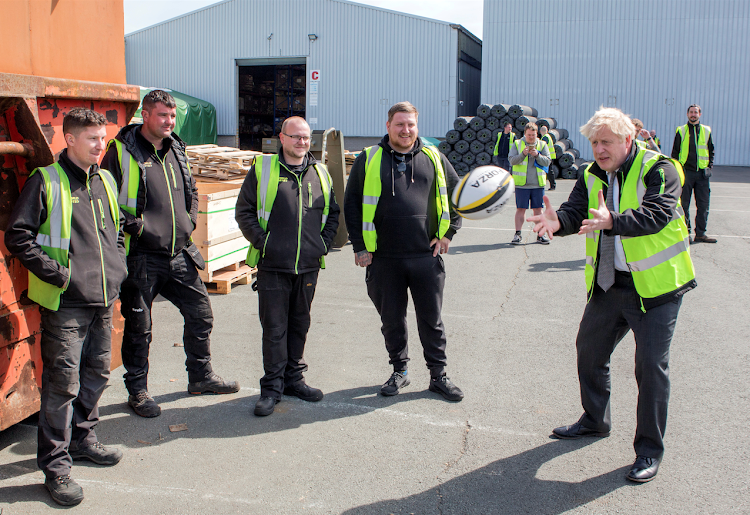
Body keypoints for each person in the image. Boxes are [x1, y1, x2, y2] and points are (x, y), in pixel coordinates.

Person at [528, 107, 696, 483]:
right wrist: (558, 223)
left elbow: (658, 214)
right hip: (610, 284)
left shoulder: (660, 169)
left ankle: (649, 451)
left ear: (627, 140)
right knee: (588, 351)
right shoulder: (591, 173)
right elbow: (574, 212)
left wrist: (613, 221)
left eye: (606, 142)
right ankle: (595, 419)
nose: (599, 149)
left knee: (650, 368)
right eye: (594, 142)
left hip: (657, 290)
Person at [5, 108, 128, 506]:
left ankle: (83, 440)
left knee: (97, 375)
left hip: (105, 298)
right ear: (69, 139)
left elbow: (117, 230)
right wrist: (60, 275)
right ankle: (56, 469)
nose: (100, 145)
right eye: (92, 138)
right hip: (68, 304)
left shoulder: (105, 179)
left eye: (103, 137)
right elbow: (18, 236)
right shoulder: (47, 181)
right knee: (62, 387)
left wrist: (119, 266)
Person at [100, 90, 238, 418]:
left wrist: (189, 219)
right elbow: (108, 200)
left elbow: (191, 189)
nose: (169, 122)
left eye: (172, 116)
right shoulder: (121, 151)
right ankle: (138, 390)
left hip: (179, 253)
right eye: (163, 116)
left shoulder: (176, 146)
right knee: (139, 327)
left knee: (201, 314)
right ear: (145, 115)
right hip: (141, 256)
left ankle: (201, 377)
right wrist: (139, 228)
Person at [344, 101, 464, 402]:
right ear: (388, 126)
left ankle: (439, 376)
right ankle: (400, 371)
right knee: (392, 320)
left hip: (426, 256)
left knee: (431, 320)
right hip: (383, 258)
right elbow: (352, 205)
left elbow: (458, 194)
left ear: (417, 126)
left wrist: (449, 233)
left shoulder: (434, 157)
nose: (406, 130)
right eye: (400, 124)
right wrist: (360, 246)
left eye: (411, 124)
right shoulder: (369, 158)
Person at [235, 117, 340, 417]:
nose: (302, 143)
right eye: (295, 137)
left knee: (300, 325)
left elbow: (333, 213)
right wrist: (263, 242)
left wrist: (323, 244)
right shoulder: (263, 169)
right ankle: (271, 388)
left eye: (306, 138)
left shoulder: (320, 172)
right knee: (275, 329)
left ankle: (294, 380)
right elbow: (244, 212)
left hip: (308, 266)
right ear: (282, 138)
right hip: (273, 266)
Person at [671, 104, 716, 243]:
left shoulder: (706, 130)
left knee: (703, 205)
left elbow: (711, 150)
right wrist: (677, 171)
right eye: (691, 112)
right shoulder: (681, 130)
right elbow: (675, 152)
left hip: (702, 174)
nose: (693, 114)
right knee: (684, 205)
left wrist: (709, 167)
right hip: (686, 173)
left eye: (695, 112)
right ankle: (686, 233)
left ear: (700, 114)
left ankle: (701, 234)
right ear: (687, 114)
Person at [508, 122, 551, 245]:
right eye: (529, 135)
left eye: (533, 135)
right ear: (524, 134)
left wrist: (537, 155)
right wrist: (523, 154)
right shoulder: (517, 144)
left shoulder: (542, 145)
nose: (531, 137)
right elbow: (511, 160)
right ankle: (517, 234)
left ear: (537, 134)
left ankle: (540, 235)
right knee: (520, 209)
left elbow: (547, 161)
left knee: (538, 210)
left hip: (538, 184)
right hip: (522, 184)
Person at [539, 125, 557, 190]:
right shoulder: (548, 136)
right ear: (547, 131)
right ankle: (552, 185)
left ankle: (553, 185)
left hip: (548, 157)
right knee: (549, 171)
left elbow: (542, 147)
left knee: (549, 172)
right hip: (551, 156)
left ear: (540, 131)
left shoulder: (545, 138)